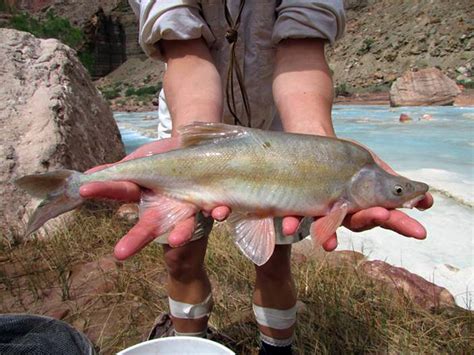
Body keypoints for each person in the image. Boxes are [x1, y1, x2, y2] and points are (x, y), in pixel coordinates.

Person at [80, 1, 433, 354]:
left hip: (284, 138)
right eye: (397, 191)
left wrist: (319, 143)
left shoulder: (350, 170)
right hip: (193, 129)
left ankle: (276, 349)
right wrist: (191, 139)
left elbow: (302, 49)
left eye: (398, 190)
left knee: (274, 262)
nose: (401, 193)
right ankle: (189, 344)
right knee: (179, 257)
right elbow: (184, 49)